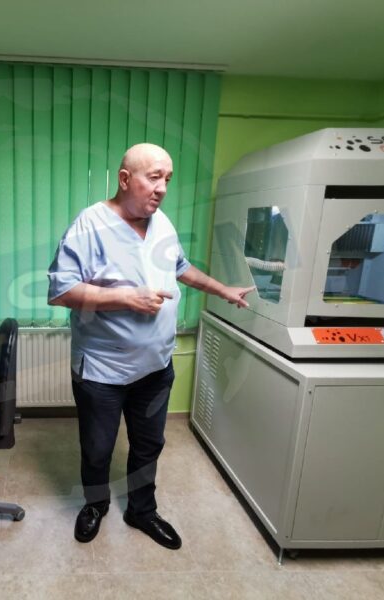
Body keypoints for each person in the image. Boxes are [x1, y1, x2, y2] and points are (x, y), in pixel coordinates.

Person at [47, 143, 254, 549]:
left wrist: (222, 289)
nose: (162, 188)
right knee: (98, 449)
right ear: (125, 179)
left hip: (156, 368)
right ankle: (95, 505)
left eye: (168, 179)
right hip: (102, 371)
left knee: (149, 444)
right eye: (154, 177)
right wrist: (127, 298)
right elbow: (61, 291)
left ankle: (142, 510)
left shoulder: (162, 223)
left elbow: (180, 267)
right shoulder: (89, 225)